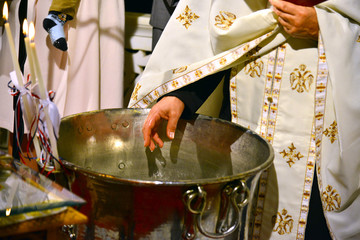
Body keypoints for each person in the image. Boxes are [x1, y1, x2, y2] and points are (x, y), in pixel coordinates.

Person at [128, 0, 360, 239]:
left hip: (323, 122)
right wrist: (179, 96)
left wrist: (325, 27)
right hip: (245, 111)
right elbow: (215, 33)